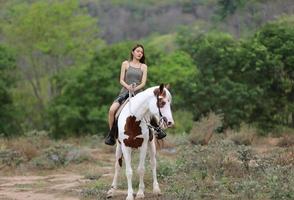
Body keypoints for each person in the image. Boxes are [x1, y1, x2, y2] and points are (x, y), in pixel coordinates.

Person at [104, 44, 166, 146]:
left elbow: (143, 83)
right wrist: (128, 87)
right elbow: (121, 80)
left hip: (138, 93)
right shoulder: (125, 64)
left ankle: (158, 130)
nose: (140, 53)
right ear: (133, 52)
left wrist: (135, 88)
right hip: (125, 92)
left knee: (149, 112)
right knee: (112, 110)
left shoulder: (143, 66)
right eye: (138, 51)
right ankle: (111, 135)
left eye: (141, 52)